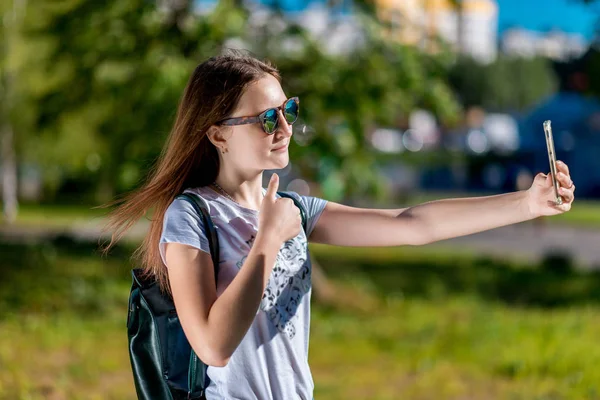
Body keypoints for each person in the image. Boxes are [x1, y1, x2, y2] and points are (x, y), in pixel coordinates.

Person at [99, 49, 576, 400]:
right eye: (267, 119)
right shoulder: (192, 215)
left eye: (289, 111)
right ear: (218, 133)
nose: (285, 128)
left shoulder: (293, 209)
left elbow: (411, 224)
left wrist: (527, 204)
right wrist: (265, 240)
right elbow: (212, 346)